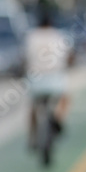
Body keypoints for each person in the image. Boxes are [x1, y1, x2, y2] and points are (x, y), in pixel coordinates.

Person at [25, 12, 73, 147]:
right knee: (64, 99)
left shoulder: (31, 36)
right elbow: (69, 56)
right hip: (54, 79)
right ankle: (57, 118)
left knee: (33, 106)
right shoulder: (58, 35)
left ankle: (32, 137)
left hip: (36, 79)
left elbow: (25, 57)